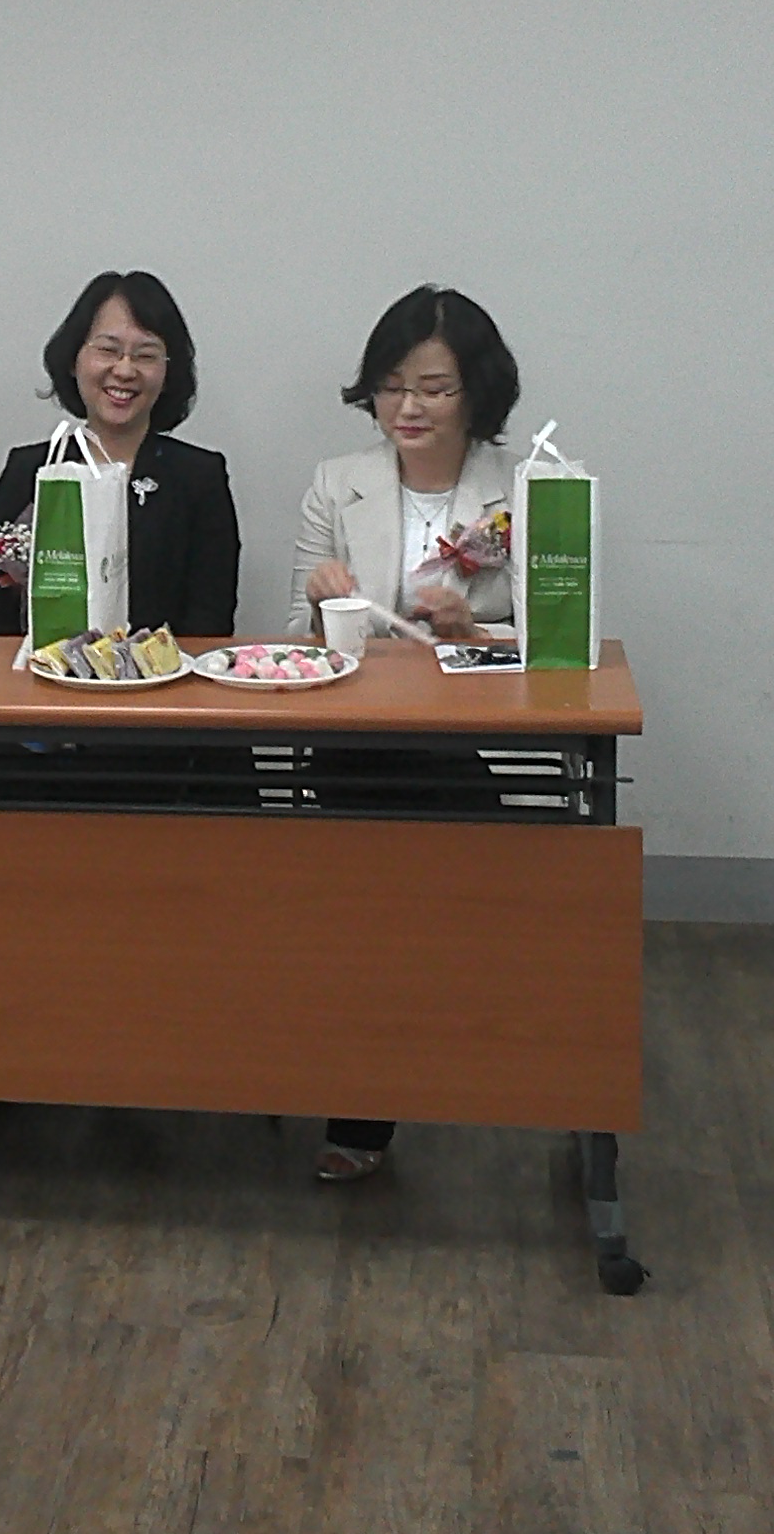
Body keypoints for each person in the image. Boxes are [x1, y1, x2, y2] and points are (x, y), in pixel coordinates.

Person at [287, 282, 524, 1183]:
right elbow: (296, 638)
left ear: (477, 392)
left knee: (508, 898)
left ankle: (517, 1076)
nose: (408, 409)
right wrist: (324, 607)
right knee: (363, 916)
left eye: (434, 388)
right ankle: (365, 1104)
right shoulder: (335, 482)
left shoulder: (524, 488)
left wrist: (477, 635)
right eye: (391, 387)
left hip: (471, 741)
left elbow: (559, 640)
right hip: (356, 744)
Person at [0, 270, 239, 639]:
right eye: (108, 350)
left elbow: (210, 625)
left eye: (146, 355)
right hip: (39, 674)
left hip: (163, 673)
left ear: (167, 373)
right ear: (73, 359)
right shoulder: (31, 470)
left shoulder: (199, 478)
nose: (124, 370)